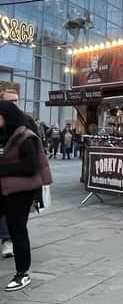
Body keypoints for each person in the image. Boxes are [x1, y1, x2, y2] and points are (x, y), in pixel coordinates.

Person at [0, 101, 53, 292]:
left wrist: (2, 169)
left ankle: (22, 273)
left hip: (22, 192)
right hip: (4, 189)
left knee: (17, 229)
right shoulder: (3, 135)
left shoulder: (26, 137)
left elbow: (30, 168)